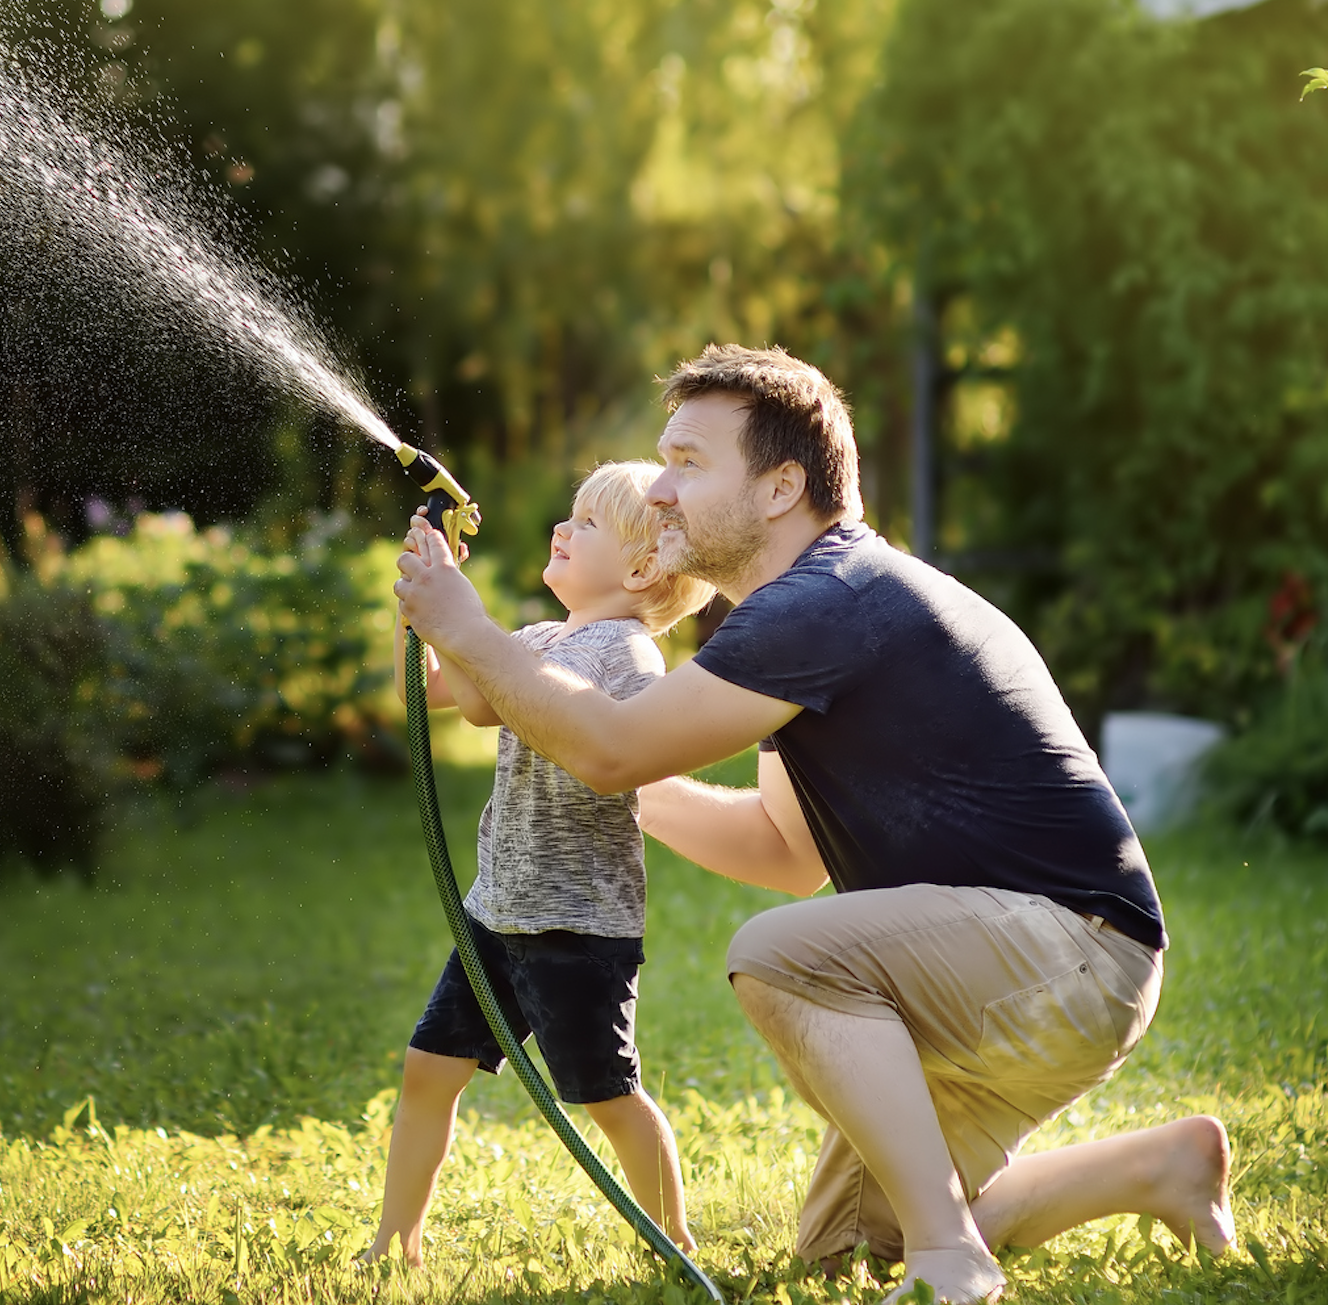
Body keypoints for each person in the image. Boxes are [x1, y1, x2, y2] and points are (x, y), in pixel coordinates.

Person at [394, 345, 1234, 1304]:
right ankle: (1155, 1170)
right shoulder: (797, 615)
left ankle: (951, 1262)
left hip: (1068, 951)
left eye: (689, 464)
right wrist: (618, 787)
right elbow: (784, 853)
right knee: (843, 1246)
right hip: (1024, 967)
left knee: (780, 954)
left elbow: (615, 749)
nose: (660, 490)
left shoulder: (823, 601)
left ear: (780, 486)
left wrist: (468, 632)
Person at [364, 461, 715, 1268]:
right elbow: (444, 692)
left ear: (639, 571)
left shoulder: (628, 656)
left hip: (577, 925)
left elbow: (593, 732)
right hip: (498, 910)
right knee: (428, 1068)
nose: (562, 530)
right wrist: (421, 604)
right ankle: (396, 1241)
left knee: (607, 1094)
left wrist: (468, 625)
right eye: (570, 516)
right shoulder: (531, 641)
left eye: (586, 524)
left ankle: (674, 1242)